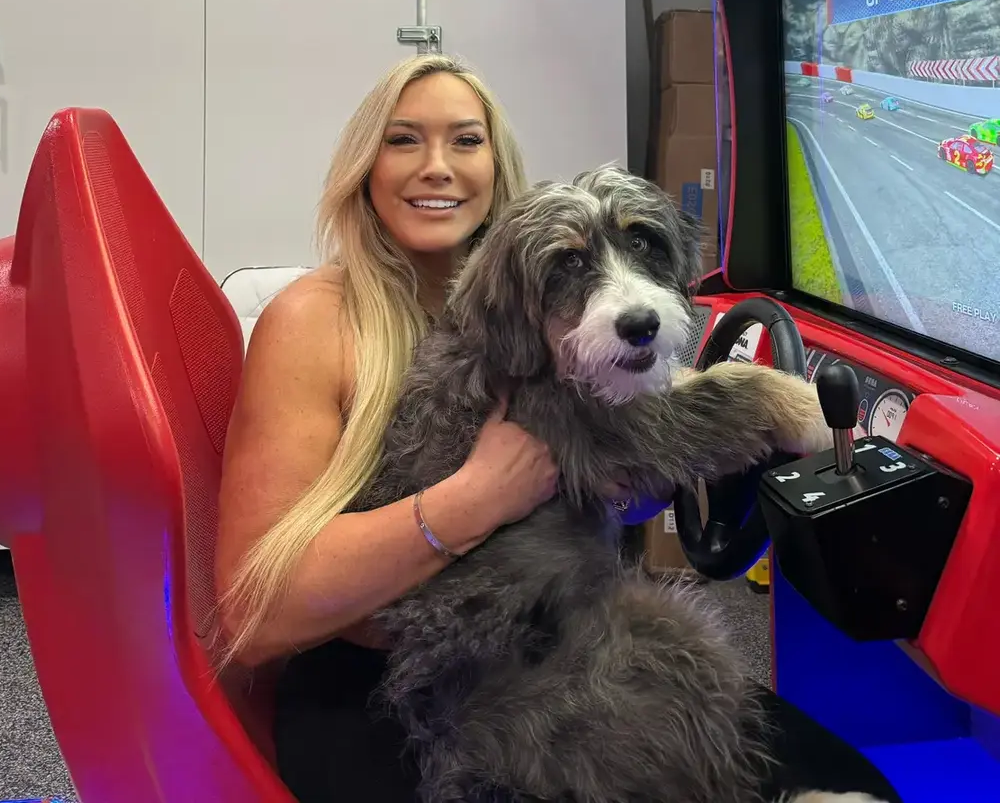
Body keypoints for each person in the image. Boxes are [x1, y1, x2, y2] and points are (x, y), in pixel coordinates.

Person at [215, 53, 900, 803]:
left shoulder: (529, 282)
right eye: (404, 139)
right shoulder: (314, 319)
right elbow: (257, 610)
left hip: (563, 627)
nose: (437, 166)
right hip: (394, 682)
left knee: (852, 778)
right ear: (363, 166)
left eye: (465, 140)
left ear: (497, 163)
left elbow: (607, 484)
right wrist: (474, 499)